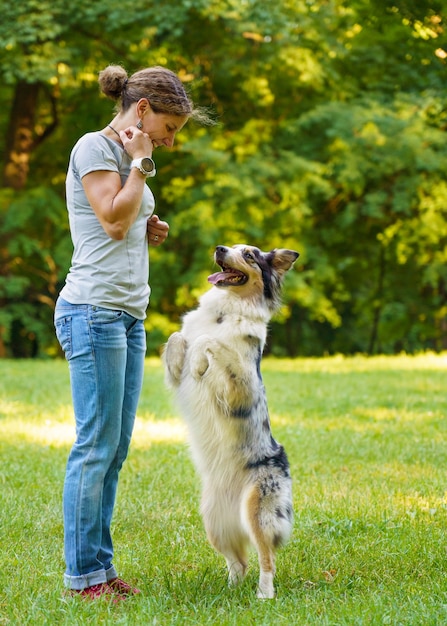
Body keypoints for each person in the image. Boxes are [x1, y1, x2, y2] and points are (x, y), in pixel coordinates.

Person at [54, 64, 207, 601]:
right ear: (142, 110)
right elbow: (111, 221)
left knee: (114, 449)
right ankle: (83, 578)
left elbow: (124, 225)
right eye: (168, 129)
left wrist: (151, 227)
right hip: (91, 311)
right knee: (94, 446)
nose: (168, 141)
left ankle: (101, 568)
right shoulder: (94, 148)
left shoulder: (131, 159)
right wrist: (140, 170)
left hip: (126, 315)